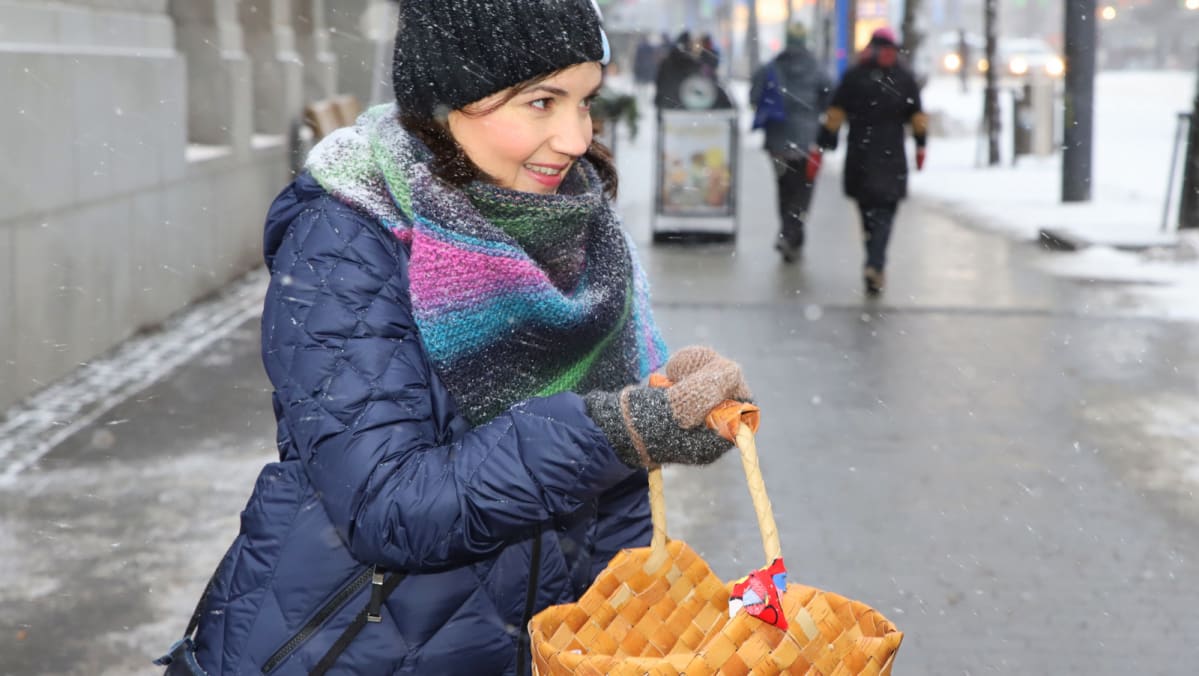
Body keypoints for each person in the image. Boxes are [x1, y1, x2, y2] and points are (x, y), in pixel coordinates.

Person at [155, 1, 753, 674]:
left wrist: (656, 415)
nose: (576, 137)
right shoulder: (348, 239)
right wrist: (607, 434)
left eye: (585, 101)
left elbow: (592, 512)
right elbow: (390, 505)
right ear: (447, 101)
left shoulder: (568, 227)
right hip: (354, 645)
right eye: (541, 102)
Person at [808, 27, 927, 295]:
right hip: (891, 157)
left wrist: (821, 146)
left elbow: (834, 115)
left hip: (861, 156)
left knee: (869, 214)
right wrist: (921, 146)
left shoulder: (855, 76)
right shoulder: (902, 78)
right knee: (884, 213)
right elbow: (918, 116)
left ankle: (874, 260)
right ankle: (876, 262)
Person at [750, 22, 831, 263]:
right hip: (808, 142)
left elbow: (755, 97)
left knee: (784, 187)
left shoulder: (771, 67)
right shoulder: (816, 68)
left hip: (777, 142)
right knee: (803, 191)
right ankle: (791, 233)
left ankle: (790, 234)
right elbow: (829, 96)